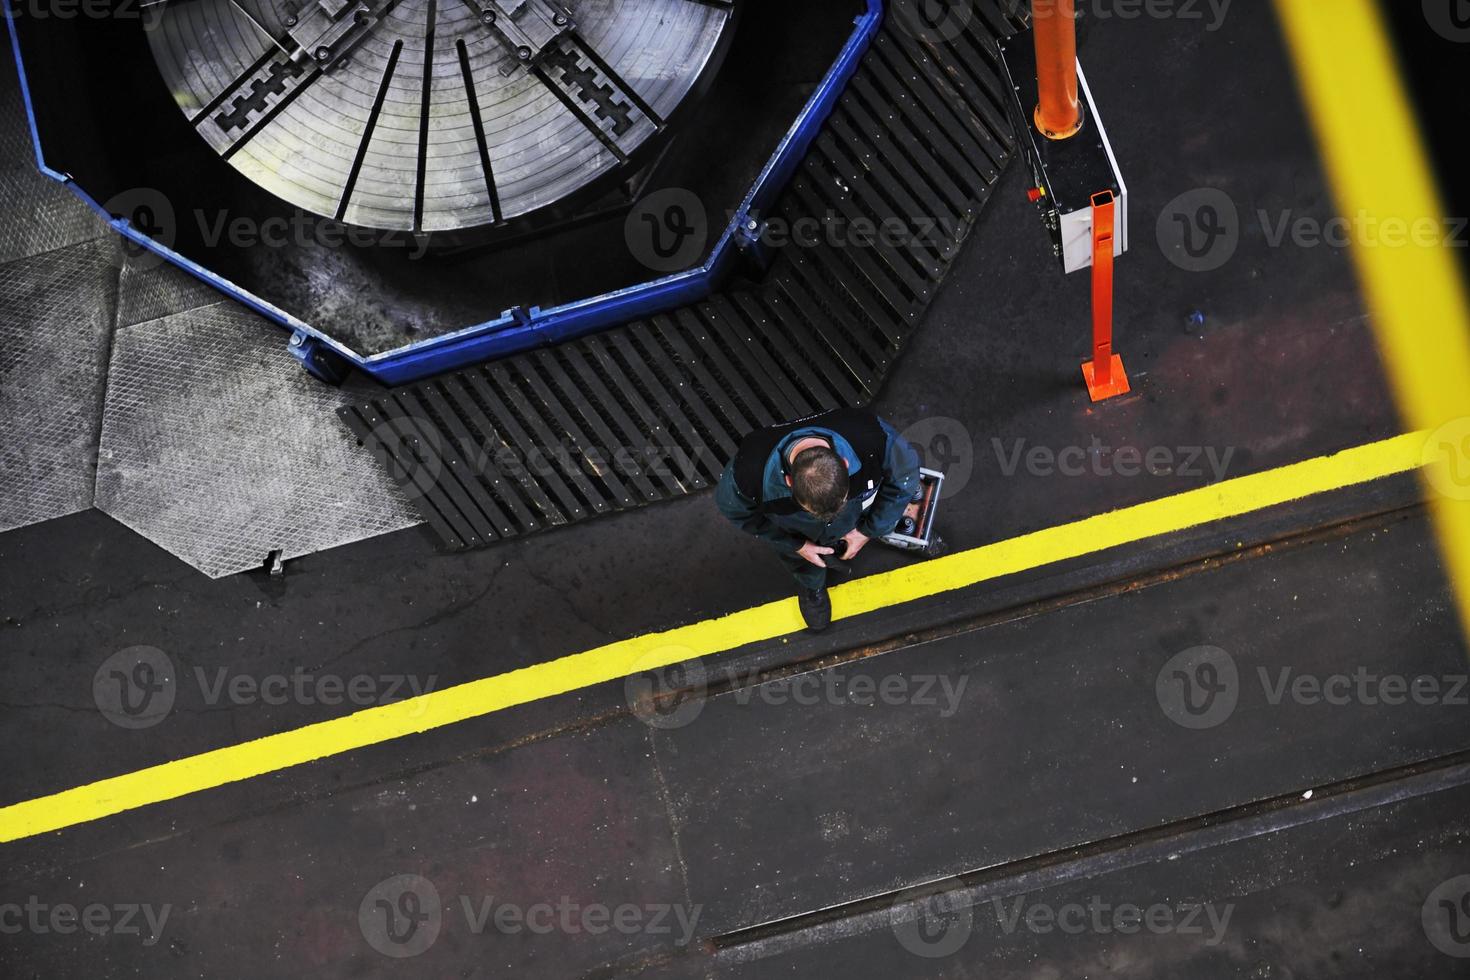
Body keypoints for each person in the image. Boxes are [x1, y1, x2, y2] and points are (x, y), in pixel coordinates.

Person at [715, 407, 922, 631]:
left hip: (853, 517)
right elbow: (733, 510)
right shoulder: (749, 473)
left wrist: (867, 531)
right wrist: (796, 545)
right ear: (788, 482)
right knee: (800, 560)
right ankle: (810, 583)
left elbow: (906, 474)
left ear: (844, 464)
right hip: (800, 536)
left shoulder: (870, 436)